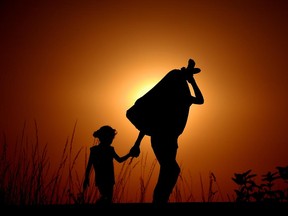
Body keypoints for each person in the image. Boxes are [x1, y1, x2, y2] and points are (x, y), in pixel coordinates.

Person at [127, 58, 204, 203]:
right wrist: (137, 144)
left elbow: (201, 100)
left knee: (166, 171)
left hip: (171, 140)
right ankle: (160, 200)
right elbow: (148, 122)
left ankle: (161, 200)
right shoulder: (166, 100)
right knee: (172, 169)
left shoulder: (182, 98)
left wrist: (191, 80)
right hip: (160, 139)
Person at [83, 125, 132, 204]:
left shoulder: (95, 150)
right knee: (107, 198)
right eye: (111, 138)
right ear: (105, 137)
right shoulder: (107, 150)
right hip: (107, 178)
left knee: (107, 198)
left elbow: (89, 166)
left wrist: (86, 178)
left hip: (103, 179)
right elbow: (119, 160)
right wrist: (129, 154)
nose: (111, 140)